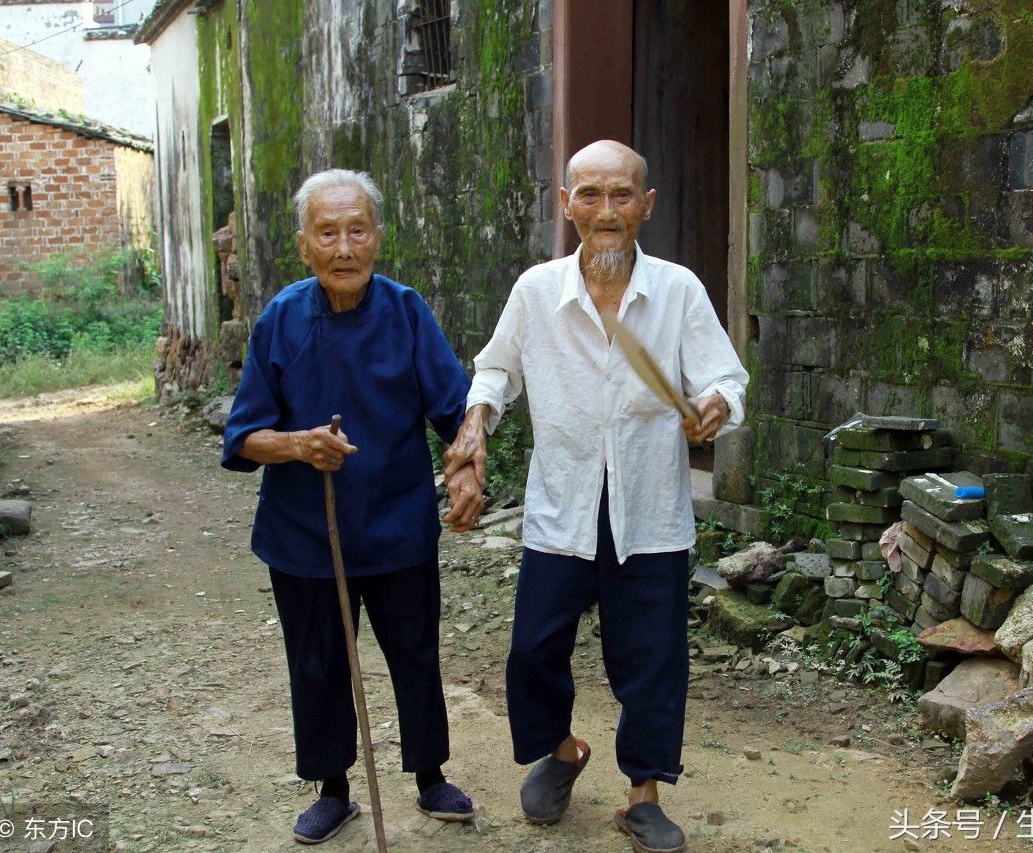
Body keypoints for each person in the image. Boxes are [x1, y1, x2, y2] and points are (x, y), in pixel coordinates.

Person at [444, 140, 748, 853]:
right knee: (533, 650)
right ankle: (560, 750)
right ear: (566, 204)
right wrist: (475, 426)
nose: (605, 212)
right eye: (590, 195)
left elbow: (727, 380)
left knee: (652, 657)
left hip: (650, 512)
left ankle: (643, 795)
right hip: (562, 508)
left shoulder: (677, 291)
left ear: (646, 204)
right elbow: (495, 372)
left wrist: (712, 406)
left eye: (621, 196)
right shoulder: (536, 292)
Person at [221, 169, 478, 845]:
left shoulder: (405, 310)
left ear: (378, 239)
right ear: (303, 245)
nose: (344, 247)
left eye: (356, 230)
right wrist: (299, 444)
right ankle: (333, 787)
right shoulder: (281, 319)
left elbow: (456, 409)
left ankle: (430, 774)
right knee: (319, 662)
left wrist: (466, 463)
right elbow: (243, 435)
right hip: (307, 533)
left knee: (415, 652)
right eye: (327, 233)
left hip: (397, 522)